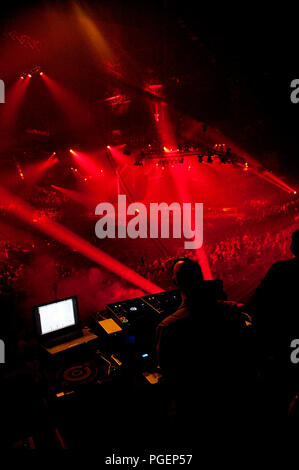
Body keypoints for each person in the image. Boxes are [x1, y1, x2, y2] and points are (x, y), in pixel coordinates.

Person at [155, 257, 252, 436]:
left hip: (194, 411)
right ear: (201, 278)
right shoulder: (231, 311)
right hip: (234, 401)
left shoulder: (168, 327)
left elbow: (169, 375)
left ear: (174, 282)